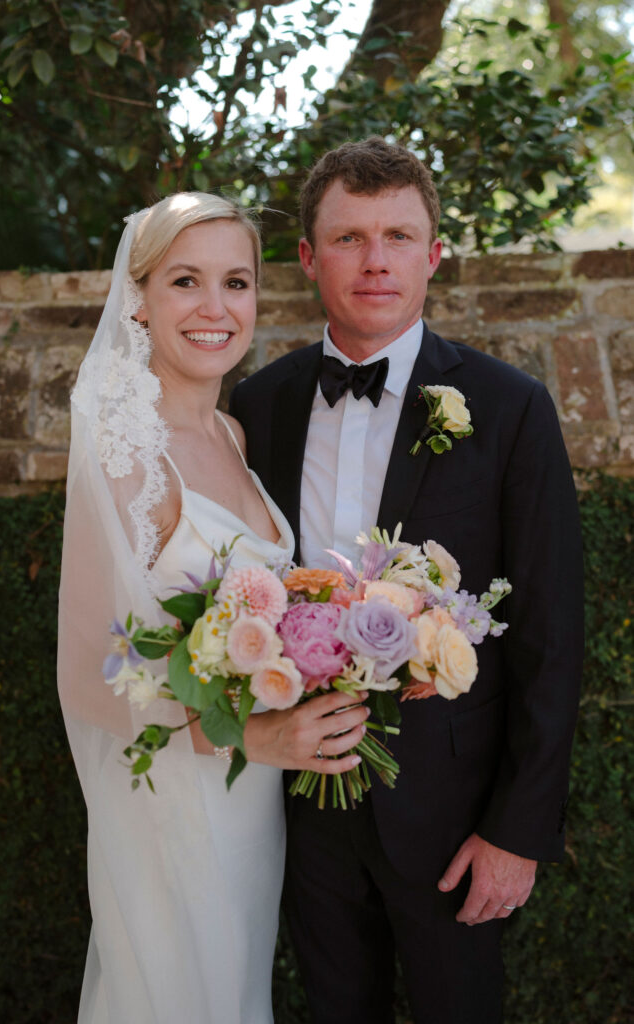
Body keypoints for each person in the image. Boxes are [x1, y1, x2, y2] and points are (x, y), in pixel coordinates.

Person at [230, 137, 584, 1024]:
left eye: (397, 236)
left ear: (433, 255)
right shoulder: (255, 406)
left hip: (451, 814)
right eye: (348, 238)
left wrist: (516, 830)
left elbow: (549, 632)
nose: (375, 259)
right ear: (308, 258)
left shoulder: (508, 407)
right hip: (298, 809)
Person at [57, 192, 368, 1024]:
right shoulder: (124, 443)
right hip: (172, 795)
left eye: (236, 283)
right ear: (139, 298)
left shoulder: (231, 435)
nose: (214, 308)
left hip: (248, 800)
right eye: (185, 281)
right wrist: (253, 732)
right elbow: (91, 675)